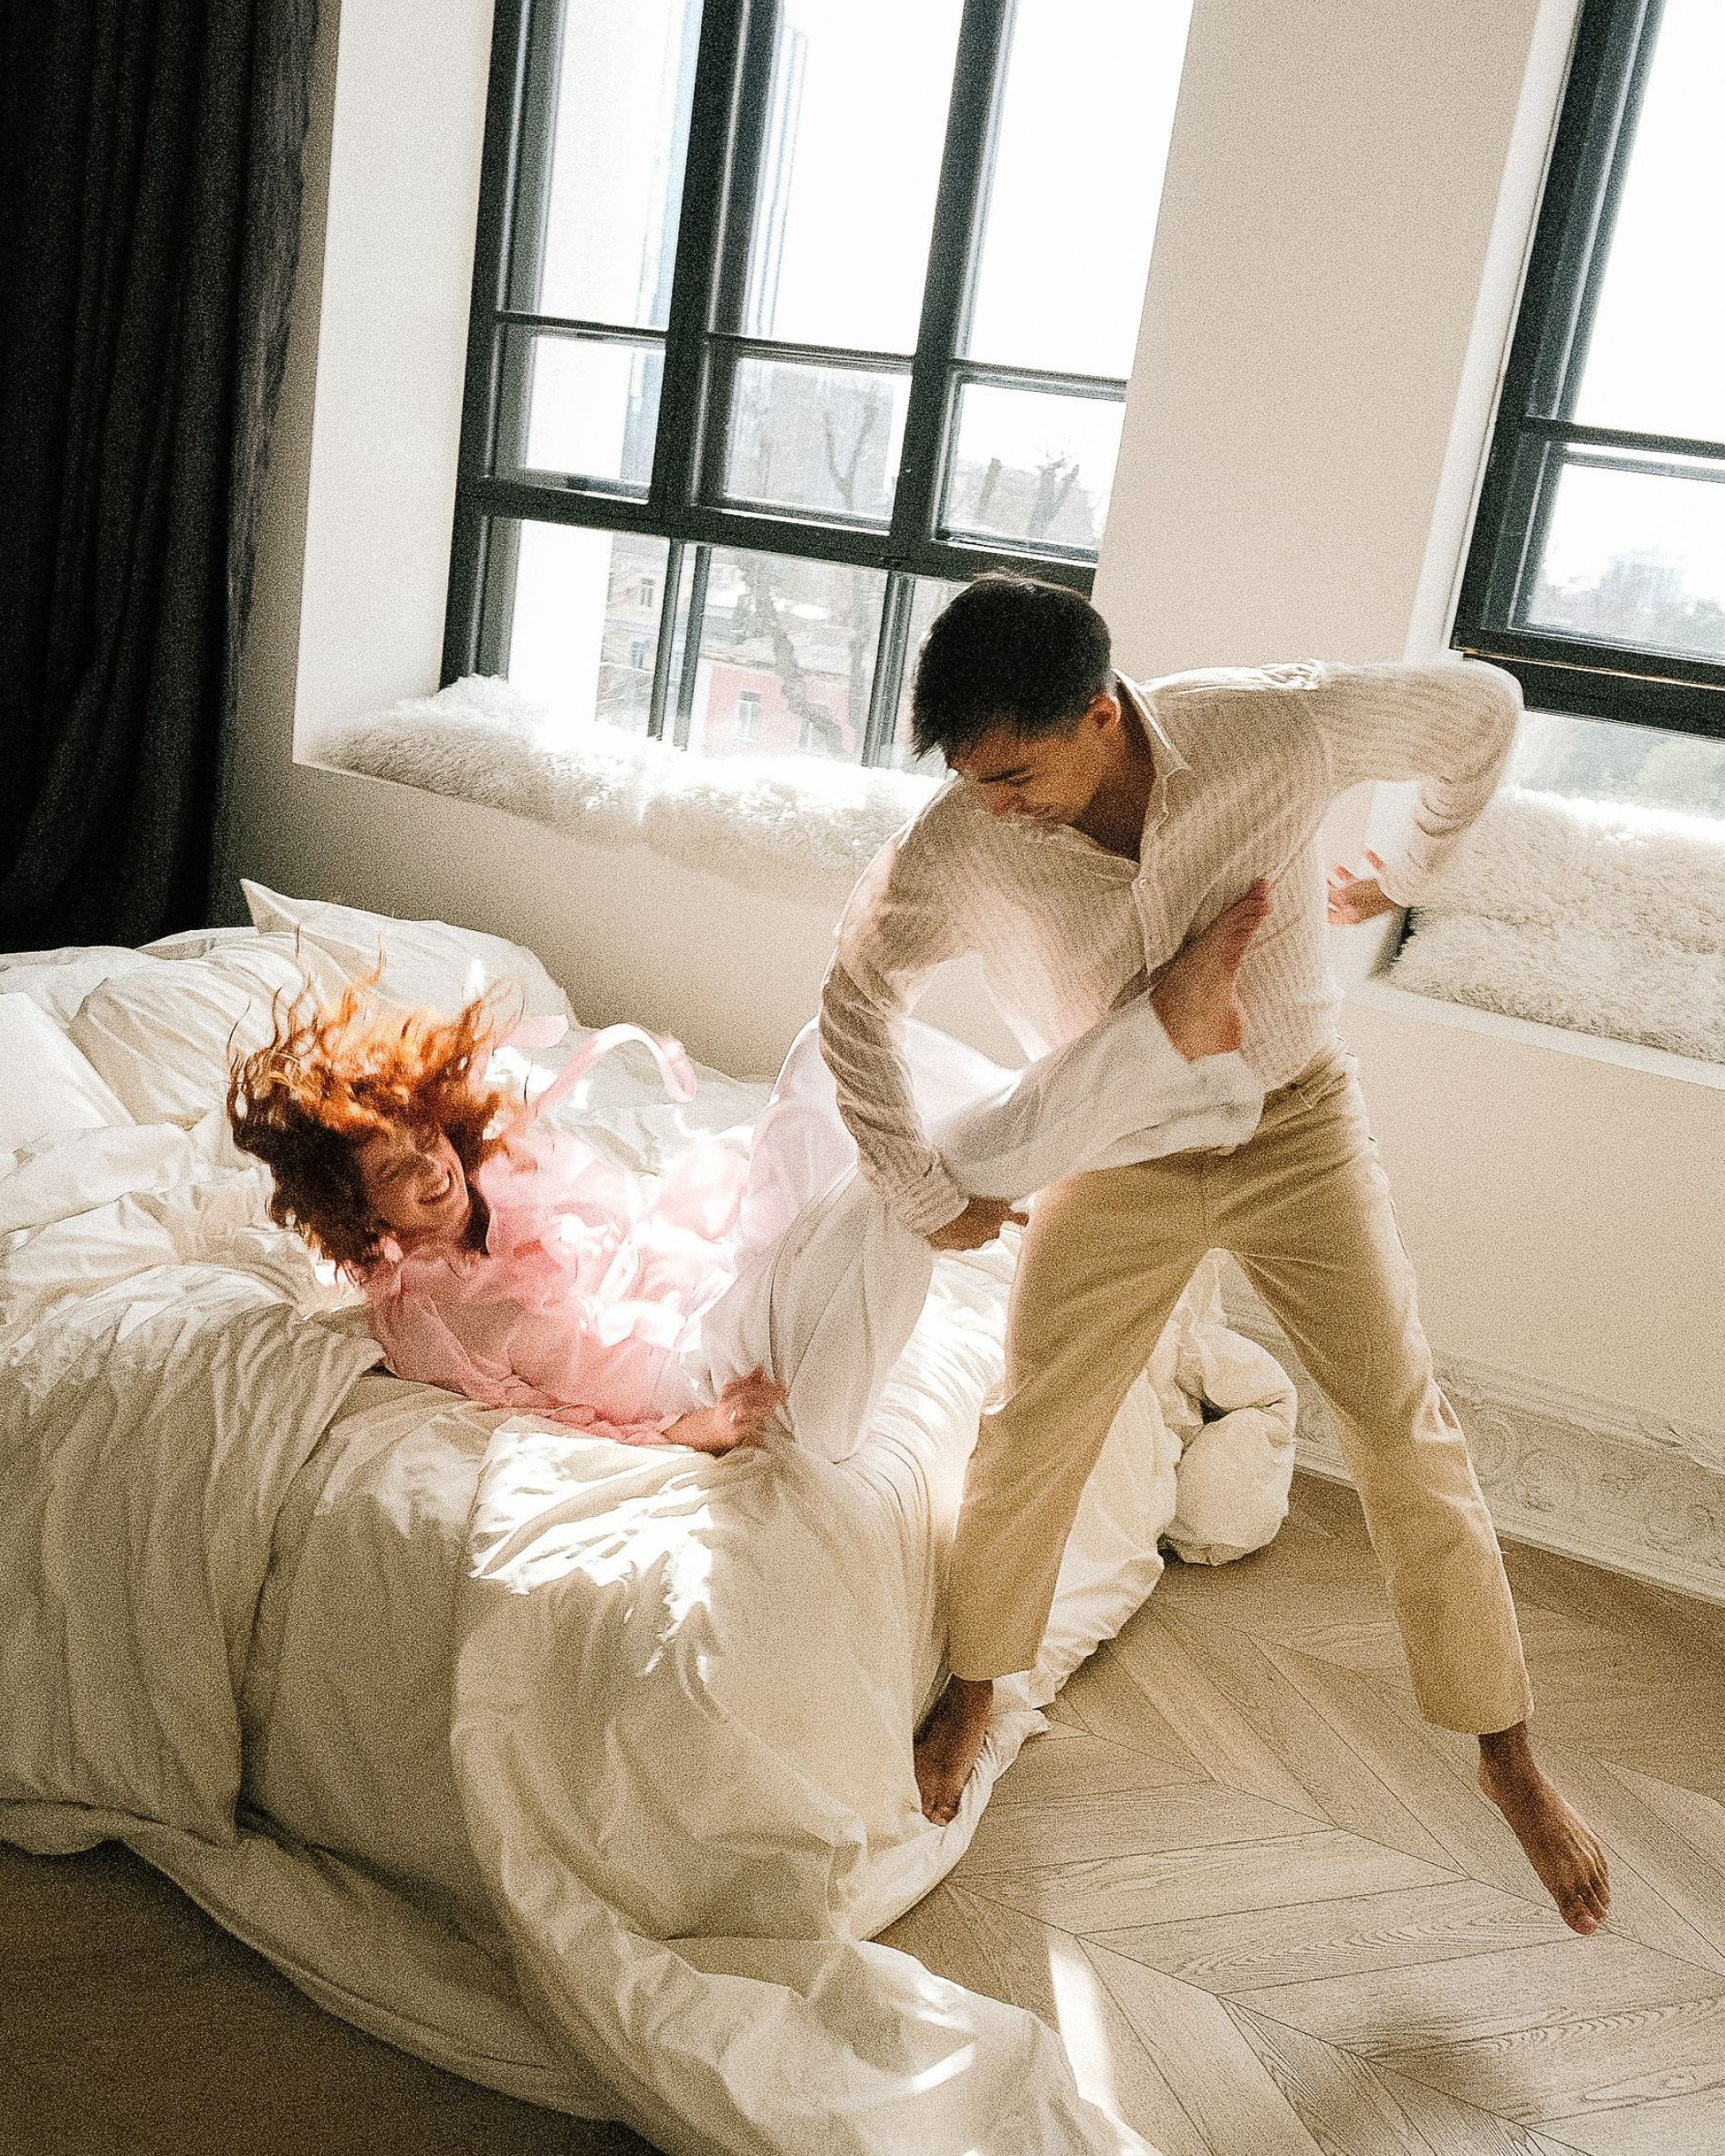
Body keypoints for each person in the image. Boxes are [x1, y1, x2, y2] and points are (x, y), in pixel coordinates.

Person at [819, 571, 1611, 1937]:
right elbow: (852, 998)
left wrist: (1404, 875)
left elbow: (1483, 707)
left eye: (1011, 776)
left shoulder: (1272, 729)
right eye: (968, 779)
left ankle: (1507, 1753)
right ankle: (975, 1685)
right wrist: (918, 1187)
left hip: (1295, 1125)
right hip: (1119, 1154)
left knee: (1401, 1423)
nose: (990, 805)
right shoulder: (960, 840)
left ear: (1098, 713)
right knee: (1030, 1426)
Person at [225, 888, 1270, 1466]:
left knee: (832, 1052)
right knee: (899, 1185)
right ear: (356, 1210)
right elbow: (529, 1418)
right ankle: (1151, 1062)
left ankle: (1114, 1106)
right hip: (706, 1367)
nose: (431, 1168)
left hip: (726, 1278)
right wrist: (696, 1430)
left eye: (426, 1139)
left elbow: (643, 1231)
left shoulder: (509, 1188)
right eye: (394, 1171)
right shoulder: (420, 1315)